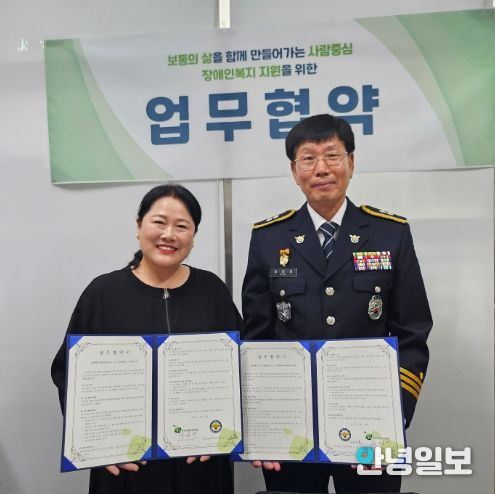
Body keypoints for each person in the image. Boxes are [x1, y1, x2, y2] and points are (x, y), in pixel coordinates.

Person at [241, 114, 432, 493]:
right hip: (290, 426)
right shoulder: (268, 238)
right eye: (308, 158)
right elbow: (257, 337)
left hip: (371, 424)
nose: (322, 168)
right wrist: (262, 424)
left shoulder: (390, 233)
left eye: (332, 155)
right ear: (294, 171)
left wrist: (394, 412)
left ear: (351, 163)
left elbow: (412, 329)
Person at [51, 184, 242, 494]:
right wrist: (96, 443)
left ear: (193, 236)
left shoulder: (212, 290)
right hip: (127, 469)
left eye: (182, 226)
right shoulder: (103, 293)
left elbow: (239, 369)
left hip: (201, 465)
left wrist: (226, 428)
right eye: (159, 222)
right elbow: (68, 375)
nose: (169, 234)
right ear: (139, 226)